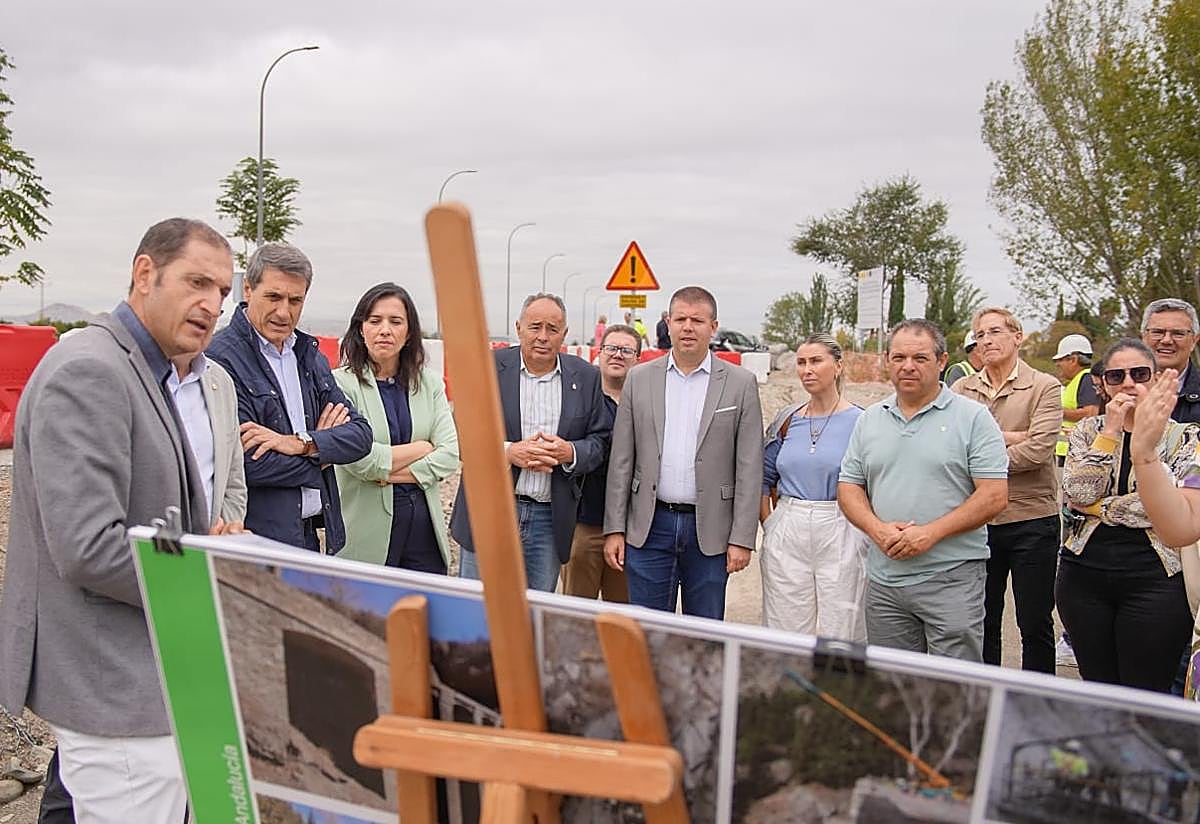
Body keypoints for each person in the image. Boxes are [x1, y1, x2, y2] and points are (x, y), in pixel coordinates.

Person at [0, 218, 247, 822]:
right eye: (197, 282)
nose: (212, 304)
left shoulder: (147, 369)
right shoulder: (91, 370)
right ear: (144, 274)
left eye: (222, 291)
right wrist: (214, 572)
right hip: (114, 687)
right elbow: (89, 546)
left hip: (151, 676)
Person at [837, 319, 1009, 661]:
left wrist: (930, 534)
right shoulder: (870, 419)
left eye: (920, 358)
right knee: (893, 681)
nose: (908, 366)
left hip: (951, 577)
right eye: (899, 357)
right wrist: (877, 529)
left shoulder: (973, 418)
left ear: (942, 361)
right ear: (887, 360)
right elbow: (849, 486)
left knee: (953, 681)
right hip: (885, 582)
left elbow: (993, 495)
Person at [604, 286, 764, 619]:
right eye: (680, 320)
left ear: (713, 327)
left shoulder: (740, 383)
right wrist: (615, 529)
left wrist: (742, 538)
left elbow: (749, 467)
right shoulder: (639, 379)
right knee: (648, 630)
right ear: (668, 324)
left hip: (710, 531)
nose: (688, 327)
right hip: (649, 527)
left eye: (697, 320)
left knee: (703, 634)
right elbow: (621, 460)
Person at [208, 242, 373, 553]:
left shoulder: (308, 356)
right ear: (248, 289)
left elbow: (361, 436)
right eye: (274, 297)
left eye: (295, 300)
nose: (284, 312)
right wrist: (323, 456)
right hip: (255, 541)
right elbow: (246, 464)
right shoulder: (221, 359)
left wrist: (301, 443)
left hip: (310, 537)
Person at [1057, 338, 1196, 692]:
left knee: (1145, 689)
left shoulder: (1184, 437)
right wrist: (1109, 432)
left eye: (1139, 374)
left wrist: (1099, 509)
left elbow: (1160, 508)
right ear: (1103, 385)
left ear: (1157, 379)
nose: (1128, 383)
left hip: (1156, 579)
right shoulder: (1088, 431)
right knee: (1098, 688)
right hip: (1084, 575)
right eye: (1116, 376)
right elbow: (1077, 492)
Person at [450, 293, 611, 591]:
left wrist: (569, 452)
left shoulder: (587, 377)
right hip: (491, 510)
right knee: (478, 606)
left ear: (564, 333)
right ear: (518, 328)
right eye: (535, 327)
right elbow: (460, 432)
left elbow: (600, 442)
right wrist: (509, 452)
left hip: (549, 520)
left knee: (534, 610)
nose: (543, 337)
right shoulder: (487, 368)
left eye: (553, 329)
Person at [952, 308, 1062, 672]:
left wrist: (982, 452)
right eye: (980, 334)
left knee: (1034, 622)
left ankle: (1036, 697)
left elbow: (1039, 451)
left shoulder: (1044, 386)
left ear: (1018, 337)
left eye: (995, 331)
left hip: (1032, 519)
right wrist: (1015, 436)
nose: (986, 340)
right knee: (981, 620)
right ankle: (985, 693)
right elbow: (949, 448)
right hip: (977, 521)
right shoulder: (961, 390)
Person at [331, 283, 460, 572]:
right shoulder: (340, 385)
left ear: (410, 332)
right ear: (361, 328)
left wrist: (386, 475)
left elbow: (450, 455)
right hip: (366, 537)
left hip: (425, 537)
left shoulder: (429, 384)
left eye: (396, 321)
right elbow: (360, 461)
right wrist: (422, 448)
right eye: (375, 321)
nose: (385, 330)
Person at [760, 333, 866, 640]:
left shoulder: (862, 421)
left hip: (842, 523)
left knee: (843, 626)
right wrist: (771, 524)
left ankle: (838, 675)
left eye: (816, 361)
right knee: (784, 627)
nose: (807, 370)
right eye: (801, 362)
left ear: (838, 366)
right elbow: (764, 477)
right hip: (789, 523)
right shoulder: (787, 419)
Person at [561, 324, 641, 601]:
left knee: (622, 614)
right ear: (600, 352)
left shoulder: (645, 405)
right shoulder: (576, 401)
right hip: (584, 525)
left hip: (631, 531)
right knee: (576, 612)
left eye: (626, 350)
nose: (617, 355)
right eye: (611, 348)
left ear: (638, 358)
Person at [1141, 298, 1200, 424]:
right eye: (1157, 332)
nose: (1166, 340)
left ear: (1194, 341)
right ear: (1143, 337)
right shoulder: (1119, 387)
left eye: (1178, 333)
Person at [1053, 333, 1100, 465]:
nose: (1057, 364)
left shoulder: (1087, 379)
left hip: (1077, 453)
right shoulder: (1077, 381)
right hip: (1069, 450)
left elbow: (1090, 413)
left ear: (1073, 360)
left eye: (1060, 360)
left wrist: (1054, 412)